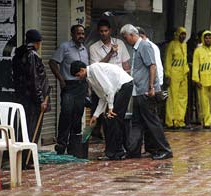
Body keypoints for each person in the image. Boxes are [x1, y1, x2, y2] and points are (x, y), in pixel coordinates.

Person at [120, 24, 172, 160]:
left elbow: (152, 66)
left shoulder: (144, 46)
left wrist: (151, 87)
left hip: (145, 91)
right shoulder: (136, 49)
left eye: (126, 38)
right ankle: (133, 151)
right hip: (137, 91)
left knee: (152, 121)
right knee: (136, 122)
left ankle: (165, 149)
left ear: (132, 35)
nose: (126, 41)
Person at [70, 61, 133, 160]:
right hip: (117, 89)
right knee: (110, 120)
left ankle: (116, 152)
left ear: (82, 70)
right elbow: (103, 97)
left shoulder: (95, 69)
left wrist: (111, 107)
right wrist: (95, 115)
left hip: (124, 85)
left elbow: (108, 89)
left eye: (79, 75)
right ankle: (114, 152)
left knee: (113, 118)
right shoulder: (90, 78)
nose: (79, 77)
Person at [12, 29, 50, 169]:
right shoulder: (32, 55)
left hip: (23, 97)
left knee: (24, 128)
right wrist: (41, 100)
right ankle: (27, 160)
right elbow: (35, 79)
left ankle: (23, 159)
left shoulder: (18, 54)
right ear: (38, 42)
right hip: (33, 100)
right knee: (32, 130)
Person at [49, 25, 88, 155]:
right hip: (69, 85)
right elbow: (53, 62)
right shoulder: (65, 47)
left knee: (78, 115)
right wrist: (61, 80)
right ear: (72, 34)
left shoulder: (84, 49)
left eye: (82, 33)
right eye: (78, 33)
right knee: (66, 114)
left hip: (81, 86)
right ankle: (61, 145)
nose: (81, 36)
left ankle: (74, 147)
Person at [89, 19, 131, 140]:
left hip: (120, 85)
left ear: (110, 31)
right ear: (98, 32)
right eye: (101, 31)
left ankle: (119, 142)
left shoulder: (120, 43)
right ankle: (107, 141)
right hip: (103, 86)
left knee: (116, 116)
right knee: (105, 115)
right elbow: (96, 67)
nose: (103, 33)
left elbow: (126, 64)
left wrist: (127, 79)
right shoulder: (94, 48)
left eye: (106, 31)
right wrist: (111, 53)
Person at [164, 27, 189, 129]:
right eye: (181, 34)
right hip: (174, 74)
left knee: (182, 98)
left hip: (183, 74)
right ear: (177, 34)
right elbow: (168, 61)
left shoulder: (185, 45)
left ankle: (180, 120)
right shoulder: (172, 45)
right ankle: (171, 120)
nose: (183, 36)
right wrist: (168, 75)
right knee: (172, 98)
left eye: (184, 34)